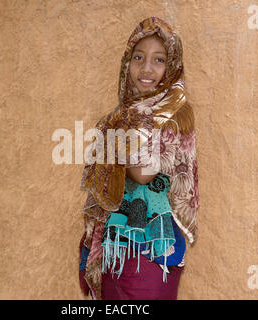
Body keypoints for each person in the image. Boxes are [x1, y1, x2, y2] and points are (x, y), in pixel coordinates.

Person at [79, 16, 200, 300]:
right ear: (127, 63)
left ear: (171, 67)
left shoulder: (175, 111)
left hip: (154, 247)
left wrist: (118, 135)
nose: (146, 69)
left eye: (158, 60)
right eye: (138, 57)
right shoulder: (122, 115)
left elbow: (143, 172)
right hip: (116, 241)